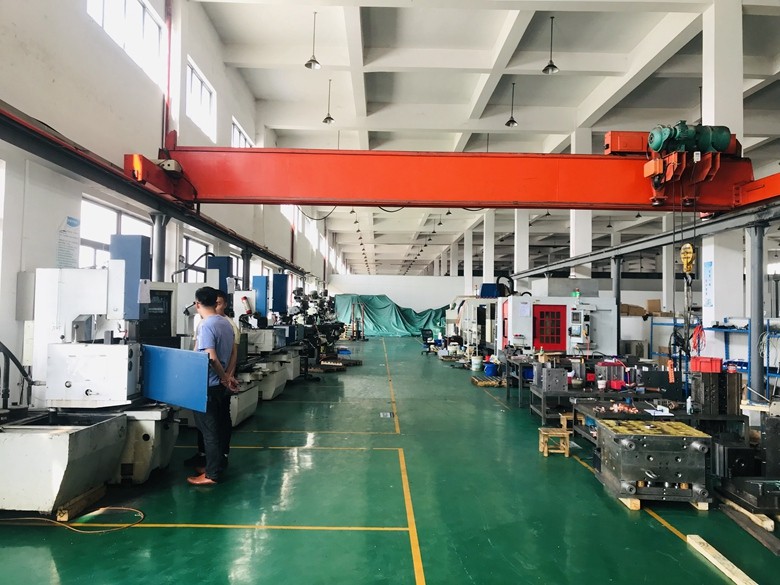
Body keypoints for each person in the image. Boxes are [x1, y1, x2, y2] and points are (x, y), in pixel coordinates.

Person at [185, 289, 241, 470]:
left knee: (209, 431)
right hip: (219, 385)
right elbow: (233, 352)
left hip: (209, 384)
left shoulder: (206, 325)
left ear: (197, 304)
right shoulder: (226, 323)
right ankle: (216, 464)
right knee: (217, 426)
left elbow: (211, 358)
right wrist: (227, 377)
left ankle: (211, 472)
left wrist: (224, 377)